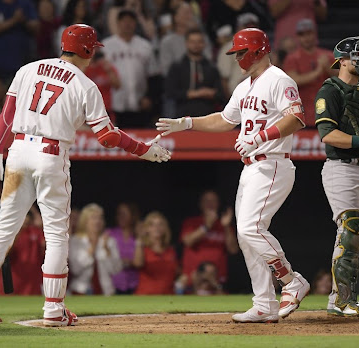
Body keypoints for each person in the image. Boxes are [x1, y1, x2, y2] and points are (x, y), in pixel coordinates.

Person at [0, 24, 171, 327]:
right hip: (50, 155)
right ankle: (53, 308)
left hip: (18, 152)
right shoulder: (85, 85)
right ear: (87, 50)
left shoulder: (28, 68)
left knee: (4, 229)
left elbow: (7, 115)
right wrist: (142, 149)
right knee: (57, 233)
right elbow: (107, 137)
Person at [156, 28, 310, 323]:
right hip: (251, 166)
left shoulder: (279, 79)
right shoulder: (244, 86)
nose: (237, 57)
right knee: (244, 235)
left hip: (273, 163)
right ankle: (264, 303)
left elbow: (297, 117)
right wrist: (186, 122)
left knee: (251, 228)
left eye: (241, 51)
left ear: (257, 50)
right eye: (236, 53)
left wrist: (261, 136)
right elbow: (225, 120)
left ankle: (291, 281)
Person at [314, 36, 359, 316]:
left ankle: (342, 299)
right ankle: (342, 301)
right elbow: (328, 135)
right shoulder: (329, 90)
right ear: (342, 60)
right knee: (352, 229)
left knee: (355, 236)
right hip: (341, 167)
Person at [102, 9, 159, 128]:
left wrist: (149, 97)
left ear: (135, 23)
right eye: (124, 21)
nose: (127, 24)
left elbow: (154, 75)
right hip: (113, 105)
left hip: (140, 103)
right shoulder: (106, 46)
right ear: (117, 23)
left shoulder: (145, 46)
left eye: (131, 21)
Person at [178, 189, 238, 292]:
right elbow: (188, 241)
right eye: (206, 200)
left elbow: (233, 250)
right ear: (201, 204)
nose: (210, 204)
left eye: (213, 201)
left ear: (218, 204)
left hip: (217, 280)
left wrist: (227, 226)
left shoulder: (224, 225)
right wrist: (207, 226)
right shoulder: (191, 222)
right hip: (193, 281)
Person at [282, 18, 335, 127]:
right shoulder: (292, 58)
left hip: (328, 114)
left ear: (315, 34)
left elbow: (343, 79)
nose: (306, 38)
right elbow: (293, 80)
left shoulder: (328, 56)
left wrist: (328, 68)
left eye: (309, 33)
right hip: (302, 115)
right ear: (298, 37)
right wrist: (318, 71)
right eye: (302, 34)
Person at [164, 28, 224, 117]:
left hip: (207, 115)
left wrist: (211, 93)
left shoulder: (211, 68)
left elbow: (220, 94)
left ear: (204, 44)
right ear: (186, 43)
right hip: (181, 115)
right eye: (192, 42)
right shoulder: (177, 67)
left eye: (199, 42)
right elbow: (170, 92)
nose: (196, 45)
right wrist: (195, 94)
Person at [68, 203, 122, 296]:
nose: (97, 221)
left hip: (105, 292)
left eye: (100, 218)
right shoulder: (76, 241)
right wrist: (91, 250)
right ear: (85, 221)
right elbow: (75, 269)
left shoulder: (109, 241)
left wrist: (107, 250)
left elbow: (116, 270)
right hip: (81, 291)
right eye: (93, 218)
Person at [0, 0, 39, 83]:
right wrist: (14, 20)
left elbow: (36, 29)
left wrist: (24, 20)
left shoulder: (25, 3)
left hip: (22, 63)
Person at [0, 208, 45, 295]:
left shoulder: (36, 231)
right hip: (13, 278)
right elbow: (4, 253)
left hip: (31, 281)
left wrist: (42, 225)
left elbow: (46, 246)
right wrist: (18, 230)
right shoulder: (8, 232)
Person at [133, 211, 179, 295]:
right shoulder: (143, 249)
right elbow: (137, 264)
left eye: (160, 224)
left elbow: (176, 272)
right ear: (146, 229)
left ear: (165, 228)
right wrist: (140, 239)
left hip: (168, 297)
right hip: (146, 297)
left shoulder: (171, 250)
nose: (156, 227)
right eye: (152, 225)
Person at [107, 202, 142, 294]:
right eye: (119, 214)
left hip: (135, 285)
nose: (121, 217)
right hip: (114, 285)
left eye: (124, 214)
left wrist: (129, 262)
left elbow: (139, 262)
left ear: (132, 216)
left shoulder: (137, 235)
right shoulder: (110, 234)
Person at [84, 51, 121, 124]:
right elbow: (78, 79)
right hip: (88, 109)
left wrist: (109, 70)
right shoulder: (87, 68)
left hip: (106, 108)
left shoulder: (107, 68)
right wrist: (88, 64)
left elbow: (117, 85)